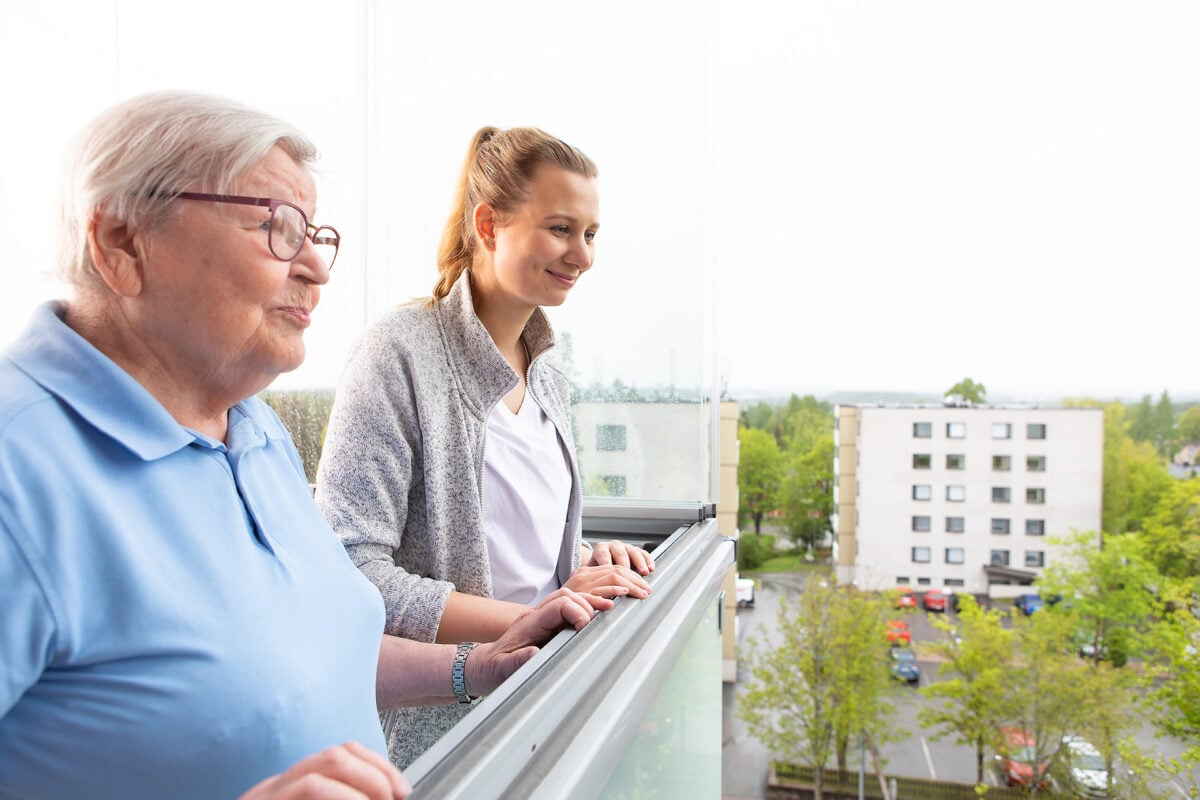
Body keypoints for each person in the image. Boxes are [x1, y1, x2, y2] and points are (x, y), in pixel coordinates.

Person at [0, 91, 615, 800]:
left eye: (314, 234)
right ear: (121, 241)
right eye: (275, 227)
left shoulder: (254, 432)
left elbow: (321, 646)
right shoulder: (21, 472)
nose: (317, 268)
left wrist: (473, 666)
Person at [315, 126, 656, 768]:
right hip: (440, 741)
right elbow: (352, 575)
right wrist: (529, 620)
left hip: (543, 699)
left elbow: (509, 546)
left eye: (590, 234)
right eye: (560, 228)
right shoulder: (398, 355)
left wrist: (579, 562)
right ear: (489, 224)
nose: (581, 255)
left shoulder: (549, 367)